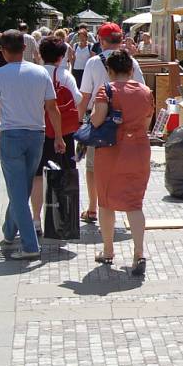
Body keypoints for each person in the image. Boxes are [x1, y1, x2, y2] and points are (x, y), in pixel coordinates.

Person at [0, 30, 65, 260]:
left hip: (12, 135)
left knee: (16, 190)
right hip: (37, 134)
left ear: (2, 51)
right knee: (21, 188)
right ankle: (8, 230)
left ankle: (30, 245)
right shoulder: (40, 73)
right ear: (25, 48)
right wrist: (60, 137)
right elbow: (52, 108)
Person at [90, 49, 153, 275]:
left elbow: (97, 120)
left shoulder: (105, 90)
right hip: (139, 149)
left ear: (110, 71)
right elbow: (147, 123)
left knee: (106, 201)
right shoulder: (146, 91)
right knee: (134, 203)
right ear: (131, 69)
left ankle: (108, 250)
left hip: (111, 151)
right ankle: (139, 253)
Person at [78, 23, 145, 224]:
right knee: (122, 165)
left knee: (93, 167)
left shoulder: (92, 63)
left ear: (101, 40)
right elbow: (140, 89)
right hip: (126, 121)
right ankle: (123, 206)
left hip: (99, 120)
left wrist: (80, 121)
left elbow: (85, 95)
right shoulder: (131, 62)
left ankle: (93, 208)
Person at [30, 36, 82, 236]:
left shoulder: (35, 74)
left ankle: (36, 218)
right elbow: (77, 99)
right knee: (65, 173)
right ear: (61, 57)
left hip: (39, 129)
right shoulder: (66, 76)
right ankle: (63, 219)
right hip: (64, 132)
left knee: (37, 175)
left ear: (41, 55)